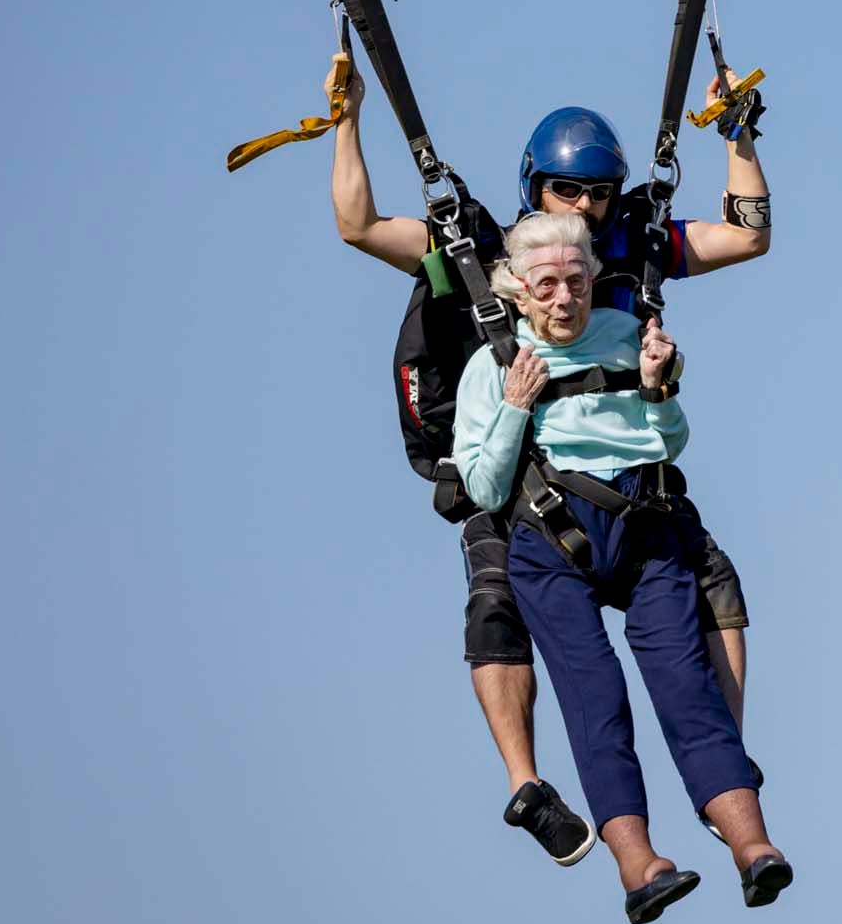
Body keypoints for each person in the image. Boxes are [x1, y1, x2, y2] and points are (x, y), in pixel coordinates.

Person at [329, 67, 773, 864]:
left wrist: (739, 138)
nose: (585, 208)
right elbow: (360, 225)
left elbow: (746, 235)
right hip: (509, 470)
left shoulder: (632, 249)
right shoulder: (481, 251)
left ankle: (720, 766)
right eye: (567, 191)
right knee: (496, 605)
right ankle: (526, 784)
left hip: (622, 474)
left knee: (715, 583)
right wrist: (348, 121)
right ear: (538, 189)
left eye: (600, 193)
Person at [452, 212, 791, 923]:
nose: (564, 298)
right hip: (552, 544)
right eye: (547, 285)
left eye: (576, 282)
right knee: (595, 697)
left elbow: (669, 440)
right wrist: (515, 407)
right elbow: (482, 491)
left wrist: (659, 388)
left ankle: (753, 847)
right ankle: (640, 868)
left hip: (644, 531)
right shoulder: (490, 367)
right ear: (517, 290)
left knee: (687, 688)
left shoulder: (628, 337)